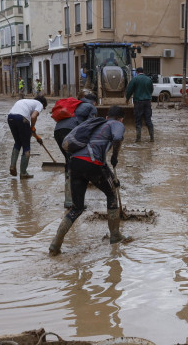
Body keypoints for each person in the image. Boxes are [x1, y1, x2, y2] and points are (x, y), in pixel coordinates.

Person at [49, 106, 129, 256]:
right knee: (112, 195)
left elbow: (98, 158)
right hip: (92, 164)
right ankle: (115, 236)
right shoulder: (116, 124)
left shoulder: (96, 126)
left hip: (75, 163)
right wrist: (115, 156)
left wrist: (112, 177)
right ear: (121, 119)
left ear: (106, 117)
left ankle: (55, 244)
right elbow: (118, 138)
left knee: (77, 208)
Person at [54, 92, 99, 208]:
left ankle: (69, 200)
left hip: (58, 131)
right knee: (75, 163)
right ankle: (73, 202)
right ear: (94, 102)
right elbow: (90, 125)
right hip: (71, 132)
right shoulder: (91, 107)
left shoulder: (75, 105)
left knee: (69, 161)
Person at [7, 95, 48, 179]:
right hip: (21, 119)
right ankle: (23, 173)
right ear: (43, 104)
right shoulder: (39, 104)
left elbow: (28, 129)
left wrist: (37, 137)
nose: (41, 110)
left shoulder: (25, 102)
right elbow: (33, 117)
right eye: (43, 108)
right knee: (26, 146)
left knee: (18, 142)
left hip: (10, 117)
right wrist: (32, 127)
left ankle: (12, 166)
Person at [126, 66, 154, 142]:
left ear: (137, 72)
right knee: (148, 120)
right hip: (147, 102)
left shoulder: (135, 79)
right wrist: (148, 96)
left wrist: (127, 99)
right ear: (143, 71)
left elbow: (129, 90)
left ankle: (138, 138)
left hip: (138, 102)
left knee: (138, 120)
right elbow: (151, 90)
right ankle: (152, 138)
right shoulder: (148, 79)